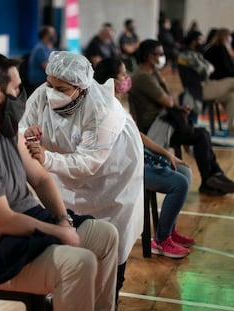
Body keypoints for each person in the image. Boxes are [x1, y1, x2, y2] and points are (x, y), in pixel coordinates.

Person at [0, 52, 119, 311]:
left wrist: (62, 220)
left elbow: (41, 178)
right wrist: (59, 232)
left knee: (107, 235)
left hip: (25, 227)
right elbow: (4, 221)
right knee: (80, 263)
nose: (22, 95)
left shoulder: (6, 130)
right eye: (17, 88)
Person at [19, 51, 144, 304]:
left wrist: (47, 159)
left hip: (112, 179)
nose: (52, 92)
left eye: (61, 88)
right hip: (65, 173)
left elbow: (88, 162)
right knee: (71, 232)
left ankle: (111, 293)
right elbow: (23, 125)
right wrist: (28, 134)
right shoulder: (42, 95)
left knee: (113, 240)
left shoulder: (103, 110)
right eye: (50, 85)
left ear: (80, 87)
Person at [94, 57, 195, 258]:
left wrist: (166, 154)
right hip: (124, 168)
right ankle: (161, 241)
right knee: (179, 184)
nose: (127, 78)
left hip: (138, 159)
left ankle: (169, 230)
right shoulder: (102, 108)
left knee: (184, 170)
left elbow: (137, 135)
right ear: (112, 81)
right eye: (123, 74)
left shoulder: (116, 104)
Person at [129, 39, 234, 196]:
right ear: (150, 57)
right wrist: (167, 91)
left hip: (164, 121)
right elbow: (168, 100)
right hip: (156, 128)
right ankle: (209, 179)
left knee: (201, 133)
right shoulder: (143, 77)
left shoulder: (151, 73)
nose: (163, 57)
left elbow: (170, 102)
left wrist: (176, 106)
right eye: (160, 54)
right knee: (201, 136)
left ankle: (214, 176)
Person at [179, 30, 234, 134]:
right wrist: (208, 67)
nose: (203, 41)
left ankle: (233, 128)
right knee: (232, 82)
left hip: (208, 85)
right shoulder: (186, 55)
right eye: (200, 39)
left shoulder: (197, 54)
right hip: (198, 89)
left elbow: (209, 68)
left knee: (232, 96)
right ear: (193, 41)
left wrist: (208, 68)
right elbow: (205, 70)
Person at [26, 25, 56, 95]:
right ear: (45, 35)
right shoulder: (40, 49)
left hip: (46, 81)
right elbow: (48, 68)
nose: (54, 35)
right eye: (52, 34)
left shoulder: (51, 48)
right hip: (39, 82)